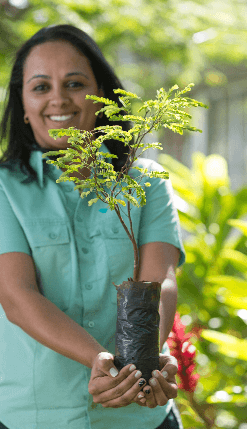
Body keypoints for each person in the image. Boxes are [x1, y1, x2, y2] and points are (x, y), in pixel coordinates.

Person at [0, 25, 185, 429]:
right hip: (34, 416)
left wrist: (143, 362)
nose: (58, 99)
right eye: (40, 87)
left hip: (141, 414)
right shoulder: (2, 187)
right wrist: (97, 359)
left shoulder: (147, 181)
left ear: (101, 95)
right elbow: (16, 295)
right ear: (24, 104)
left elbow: (161, 280)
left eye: (75, 83)